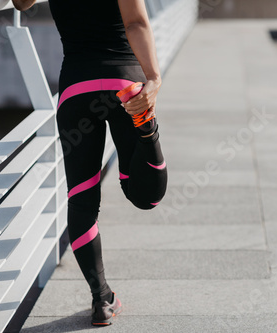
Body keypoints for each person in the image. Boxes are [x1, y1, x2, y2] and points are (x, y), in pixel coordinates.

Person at [12, 0, 168, 326]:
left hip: (76, 90)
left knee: (82, 199)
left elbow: (21, 3)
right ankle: (147, 130)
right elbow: (136, 23)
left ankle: (102, 300)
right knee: (146, 196)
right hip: (123, 83)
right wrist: (153, 78)